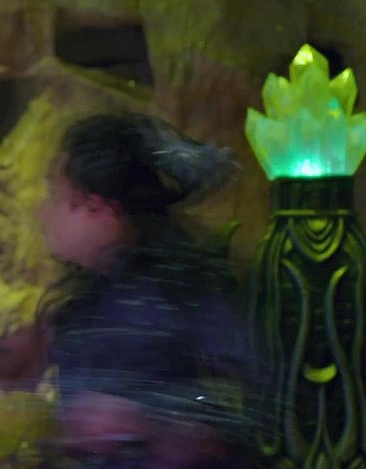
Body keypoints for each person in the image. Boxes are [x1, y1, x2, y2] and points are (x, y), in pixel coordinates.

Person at [35, 112, 260, 468]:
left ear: (103, 208)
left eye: (62, 199)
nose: (44, 213)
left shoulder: (181, 292)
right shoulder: (93, 301)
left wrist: (146, 424)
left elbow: (254, 406)